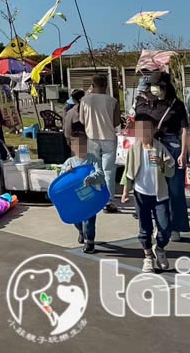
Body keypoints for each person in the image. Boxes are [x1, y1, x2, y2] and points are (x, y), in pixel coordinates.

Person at [135, 71, 189, 241]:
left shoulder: (176, 104)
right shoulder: (145, 103)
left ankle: (176, 227)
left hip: (172, 146)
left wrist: (183, 152)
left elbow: (184, 129)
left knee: (174, 188)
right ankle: (159, 225)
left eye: (156, 85)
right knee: (153, 187)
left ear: (165, 86)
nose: (153, 89)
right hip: (151, 147)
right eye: (151, 85)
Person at [120, 114, 175, 273]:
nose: (144, 133)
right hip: (141, 194)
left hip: (160, 194)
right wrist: (125, 192)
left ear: (154, 129)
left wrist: (162, 164)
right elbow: (128, 173)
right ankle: (148, 256)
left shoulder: (160, 148)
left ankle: (160, 247)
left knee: (165, 227)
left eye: (147, 129)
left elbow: (171, 171)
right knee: (145, 228)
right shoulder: (134, 150)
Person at [79, 74, 121, 213]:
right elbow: (116, 122)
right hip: (109, 137)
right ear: (106, 85)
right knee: (109, 171)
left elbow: (82, 120)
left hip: (92, 137)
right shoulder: (113, 101)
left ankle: (95, 196)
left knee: (94, 169)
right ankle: (109, 201)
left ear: (92, 84)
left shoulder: (85, 100)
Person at [61, 123, 104, 253]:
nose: (80, 147)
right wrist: (66, 172)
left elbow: (100, 173)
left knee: (90, 219)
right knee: (77, 219)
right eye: (77, 145)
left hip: (90, 195)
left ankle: (89, 241)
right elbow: (60, 179)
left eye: (83, 144)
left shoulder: (93, 159)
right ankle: (80, 230)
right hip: (75, 197)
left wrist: (92, 178)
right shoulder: (69, 162)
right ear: (72, 147)